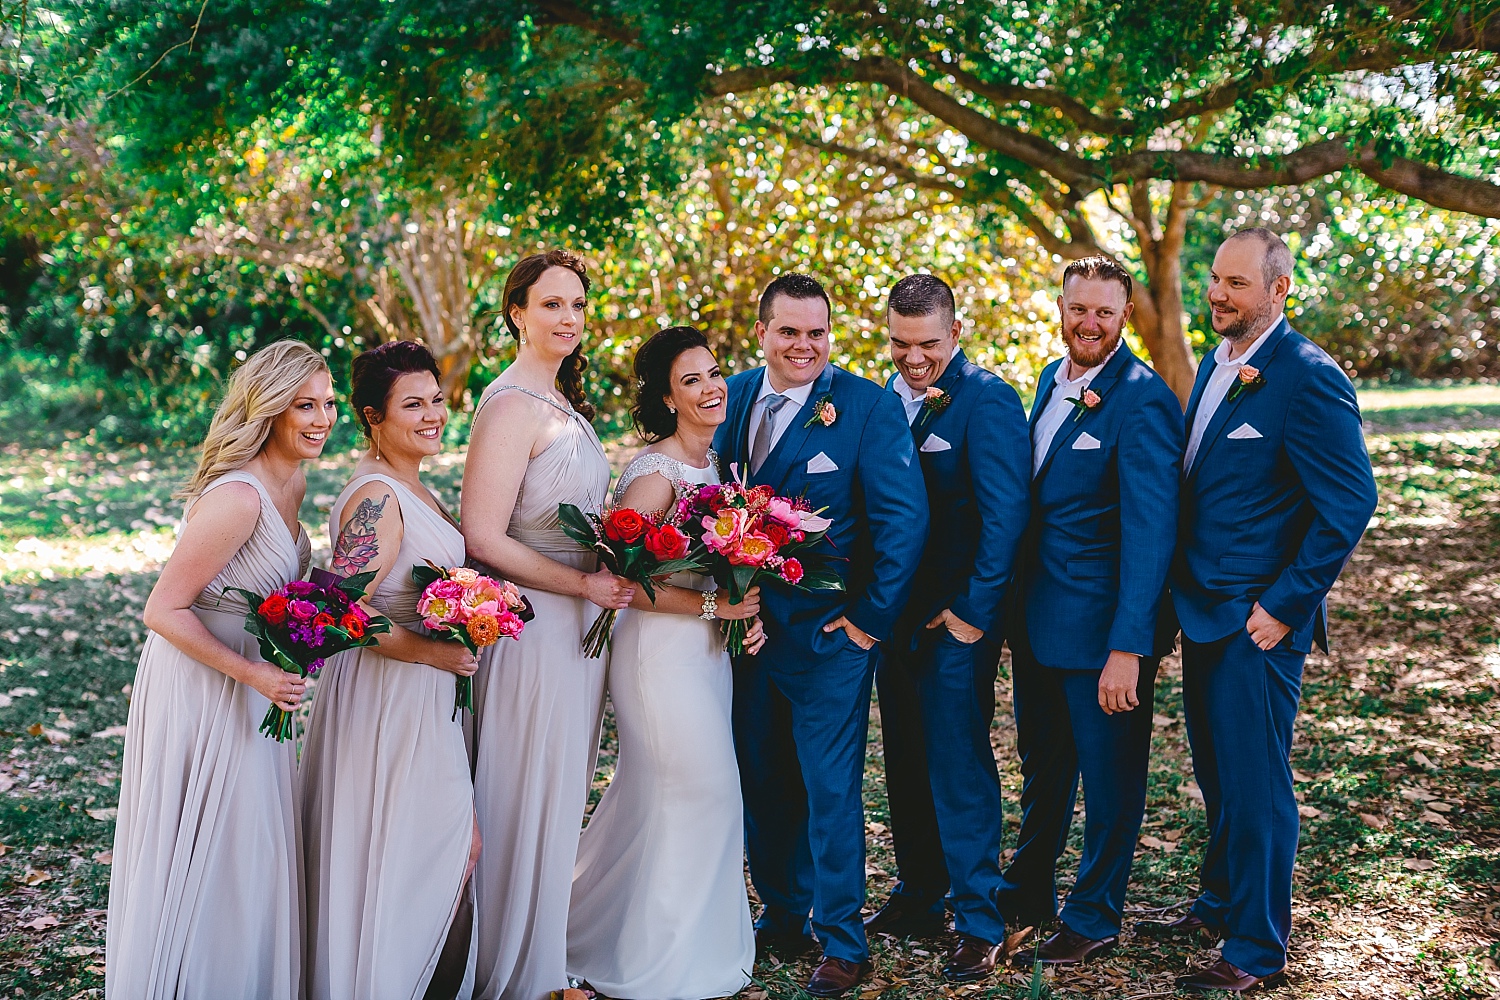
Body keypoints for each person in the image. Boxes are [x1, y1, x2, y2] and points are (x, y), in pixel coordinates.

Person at [1144, 228, 1377, 993]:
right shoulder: (1218, 365)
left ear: (1279, 289)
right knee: (1218, 774)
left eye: (1236, 284)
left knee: (1258, 784)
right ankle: (1219, 902)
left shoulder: (1307, 376)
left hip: (1257, 623)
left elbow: (1348, 502)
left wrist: (1284, 604)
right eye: (1214, 279)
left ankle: (1254, 950)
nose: (1218, 293)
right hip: (1205, 610)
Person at [712, 273, 928, 999]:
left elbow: (904, 523)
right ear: (763, 332)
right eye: (789, 331)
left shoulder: (864, 407)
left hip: (831, 639)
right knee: (763, 777)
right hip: (743, 638)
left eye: (817, 332)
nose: (804, 345)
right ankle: (782, 911)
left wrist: (868, 623)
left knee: (830, 788)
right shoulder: (732, 397)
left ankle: (843, 938)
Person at [107, 340, 333, 999]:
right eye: (303, 406)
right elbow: (163, 609)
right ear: (268, 410)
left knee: (250, 847)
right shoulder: (239, 496)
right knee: (217, 847)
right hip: (205, 686)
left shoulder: (294, 481)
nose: (320, 419)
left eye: (328, 404)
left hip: (257, 683)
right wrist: (254, 674)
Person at [995, 257, 1183, 967]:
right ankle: (1028, 889)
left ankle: (1096, 914)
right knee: (1045, 768)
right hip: (1040, 625)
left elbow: (1150, 533)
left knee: (1110, 782)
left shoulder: (1143, 400)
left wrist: (1129, 646)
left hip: (1105, 635)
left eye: (1104, 311)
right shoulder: (1051, 380)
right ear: (1063, 307)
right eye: (1079, 308)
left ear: (1125, 316)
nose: (1089, 323)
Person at [566, 326, 763, 1000]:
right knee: (701, 789)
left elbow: (719, 576)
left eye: (714, 373)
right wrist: (715, 611)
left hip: (706, 657)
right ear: (666, 398)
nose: (711, 389)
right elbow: (616, 580)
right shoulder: (656, 476)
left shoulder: (718, 467)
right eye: (692, 381)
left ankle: (596, 926)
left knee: (666, 797)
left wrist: (743, 614)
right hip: (657, 659)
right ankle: (660, 960)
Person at [462, 249, 636, 1000]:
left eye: (577, 305)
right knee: (519, 789)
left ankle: (538, 947)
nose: (568, 318)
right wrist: (584, 582)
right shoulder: (509, 406)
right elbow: (484, 537)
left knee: (558, 790)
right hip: (531, 631)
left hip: (576, 630)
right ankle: (510, 965)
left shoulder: (561, 401)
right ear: (517, 313)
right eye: (552, 305)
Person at [300, 341, 481, 1000]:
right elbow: (332, 610)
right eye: (414, 404)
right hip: (390, 703)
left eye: (435, 399)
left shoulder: (414, 481)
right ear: (373, 416)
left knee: (441, 856)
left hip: (427, 701)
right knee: (431, 859)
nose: (433, 414)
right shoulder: (376, 496)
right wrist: (432, 652)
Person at [864, 274, 1030, 982]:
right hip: (894, 619)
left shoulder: (986, 400)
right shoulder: (876, 403)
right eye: (900, 344)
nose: (913, 358)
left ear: (954, 334)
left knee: (958, 764)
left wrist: (973, 613)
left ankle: (979, 918)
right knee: (904, 757)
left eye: (927, 344)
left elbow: (1007, 516)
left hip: (956, 621)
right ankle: (920, 893)